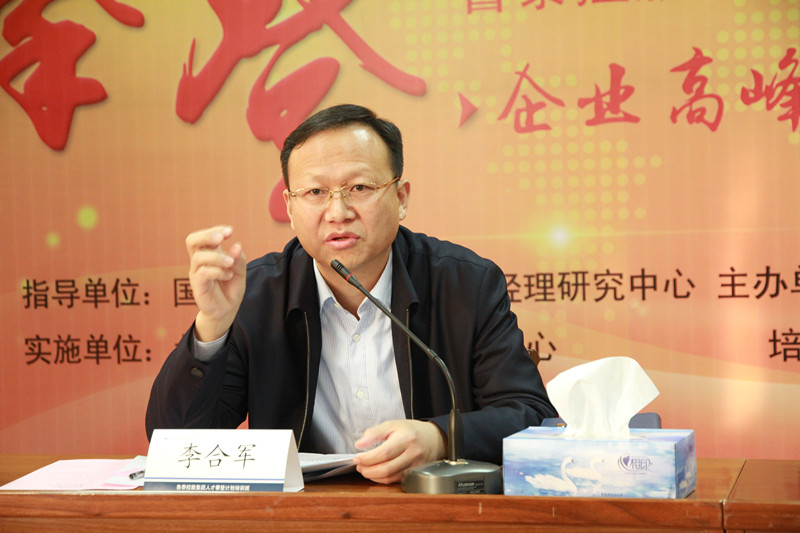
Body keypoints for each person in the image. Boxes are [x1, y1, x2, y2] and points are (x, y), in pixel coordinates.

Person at [145, 103, 556, 484]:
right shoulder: (255, 296)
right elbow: (174, 442)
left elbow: (533, 416)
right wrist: (213, 326)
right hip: (300, 520)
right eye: (315, 193)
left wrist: (441, 438)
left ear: (401, 198)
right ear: (290, 209)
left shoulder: (465, 285)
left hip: (434, 517)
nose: (338, 212)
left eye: (359, 187)